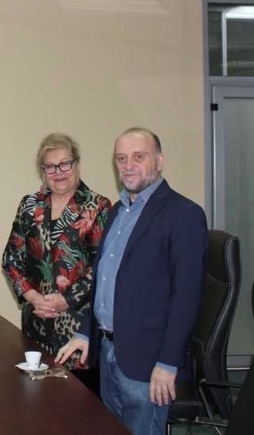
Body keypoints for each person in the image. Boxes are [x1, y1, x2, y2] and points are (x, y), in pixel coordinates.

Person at [56, 128, 208, 435]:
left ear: (159, 161)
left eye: (139, 157)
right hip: (108, 352)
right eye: (121, 158)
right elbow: (104, 282)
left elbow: (187, 296)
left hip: (148, 362)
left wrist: (168, 362)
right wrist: (86, 332)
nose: (128, 165)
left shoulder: (184, 214)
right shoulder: (117, 211)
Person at [3, 133, 110, 394]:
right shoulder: (30, 205)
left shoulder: (97, 206)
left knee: (77, 404)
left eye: (64, 164)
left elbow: (102, 268)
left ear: (76, 164)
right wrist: (33, 298)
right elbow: (11, 259)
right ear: (42, 171)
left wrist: (65, 300)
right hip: (36, 323)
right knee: (35, 400)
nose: (58, 172)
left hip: (78, 327)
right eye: (50, 166)